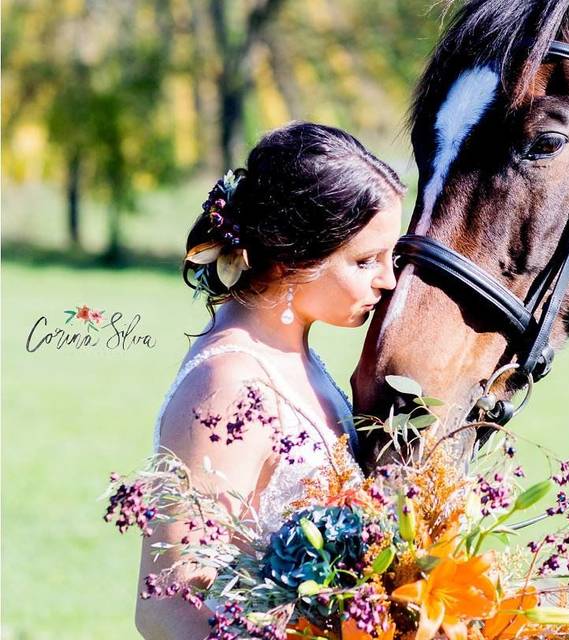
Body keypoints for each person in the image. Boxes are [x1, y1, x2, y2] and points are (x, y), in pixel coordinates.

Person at [135, 122, 403, 639]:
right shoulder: (228, 384)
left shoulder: (296, 357)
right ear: (292, 258)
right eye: (365, 260)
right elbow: (168, 608)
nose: (387, 279)